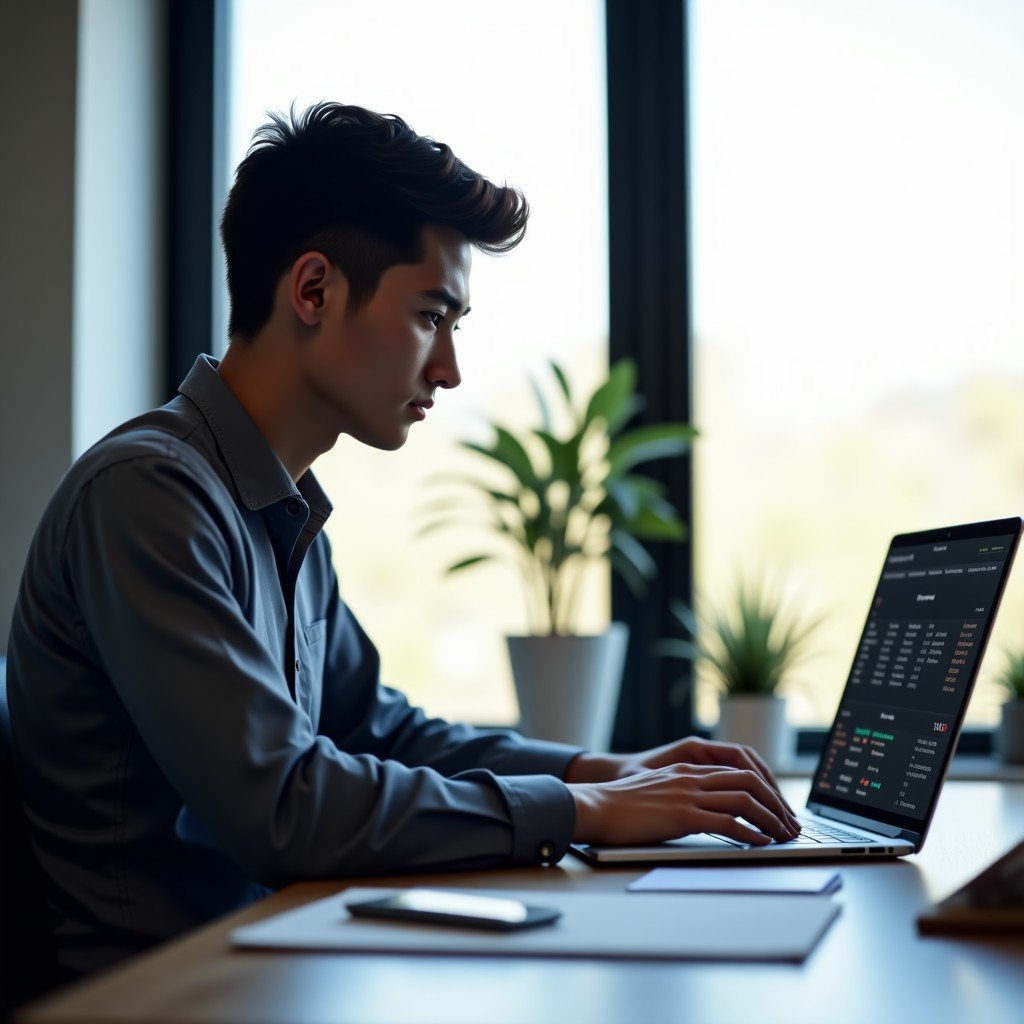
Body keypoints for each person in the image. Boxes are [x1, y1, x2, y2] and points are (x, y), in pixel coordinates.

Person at [7, 102, 801, 979]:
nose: (450, 367)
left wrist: (602, 767)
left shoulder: (278, 503)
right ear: (313, 291)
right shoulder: (150, 493)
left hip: (265, 963)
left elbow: (378, 730)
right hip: (159, 993)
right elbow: (283, 806)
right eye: (432, 316)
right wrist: (583, 810)